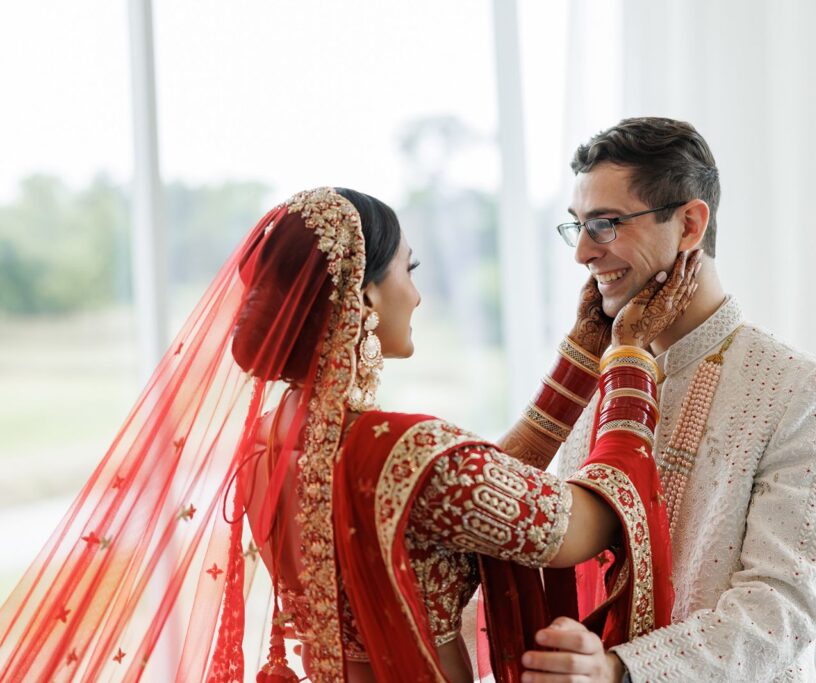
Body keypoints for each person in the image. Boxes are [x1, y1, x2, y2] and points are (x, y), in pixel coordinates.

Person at [0, 186, 696, 682]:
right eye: (409, 270)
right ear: (362, 294)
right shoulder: (404, 449)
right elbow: (584, 524)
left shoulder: (270, 442)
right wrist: (630, 353)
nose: (417, 295)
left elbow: (477, 498)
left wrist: (580, 355)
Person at [518, 118, 816, 682]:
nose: (581, 252)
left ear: (690, 224)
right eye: (576, 226)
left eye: (605, 224)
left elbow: (780, 610)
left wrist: (618, 671)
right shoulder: (599, 375)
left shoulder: (805, 390)